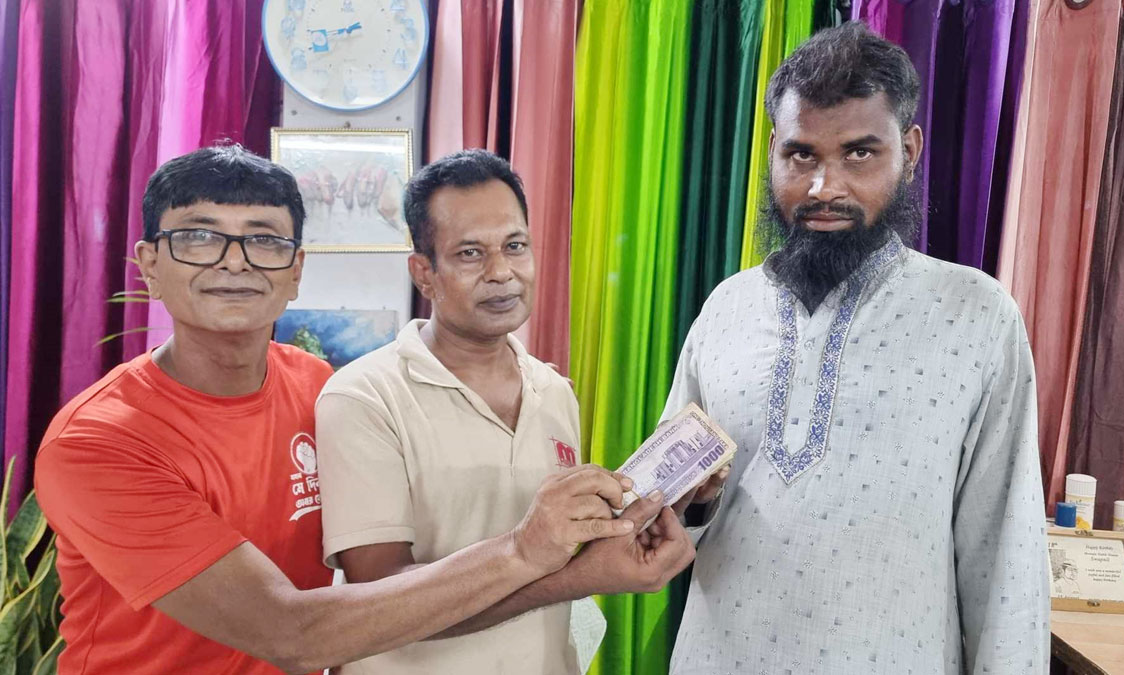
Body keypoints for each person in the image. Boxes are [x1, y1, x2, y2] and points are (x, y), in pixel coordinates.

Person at [34, 144, 667, 675]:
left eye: (264, 240)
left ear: (295, 270)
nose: (235, 261)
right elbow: (291, 632)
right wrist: (532, 556)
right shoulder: (99, 443)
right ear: (149, 265)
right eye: (198, 237)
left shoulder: (313, 383)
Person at [661, 22, 1050, 674]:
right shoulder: (725, 310)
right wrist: (688, 502)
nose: (824, 187)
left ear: (909, 150)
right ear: (773, 151)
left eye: (859, 154)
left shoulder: (977, 317)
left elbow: (1004, 558)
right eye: (802, 155)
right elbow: (670, 517)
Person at [316, 149, 696, 674]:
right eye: (470, 253)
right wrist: (576, 577)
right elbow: (378, 604)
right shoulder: (363, 397)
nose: (501, 273)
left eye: (515, 246)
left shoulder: (553, 391)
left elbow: (555, 551)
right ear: (424, 273)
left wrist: (633, 527)